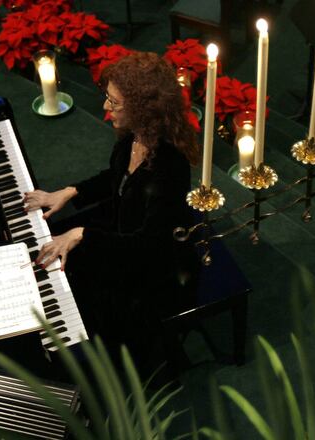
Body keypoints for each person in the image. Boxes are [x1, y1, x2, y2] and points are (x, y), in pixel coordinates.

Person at [23, 52, 200, 367]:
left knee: (78, 280)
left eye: (115, 102)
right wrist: (70, 191)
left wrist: (82, 235)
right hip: (123, 230)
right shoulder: (134, 138)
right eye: (108, 98)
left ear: (145, 109)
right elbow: (116, 177)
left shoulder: (168, 169)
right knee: (58, 246)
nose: (106, 108)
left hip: (152, 267)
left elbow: (149, 245)